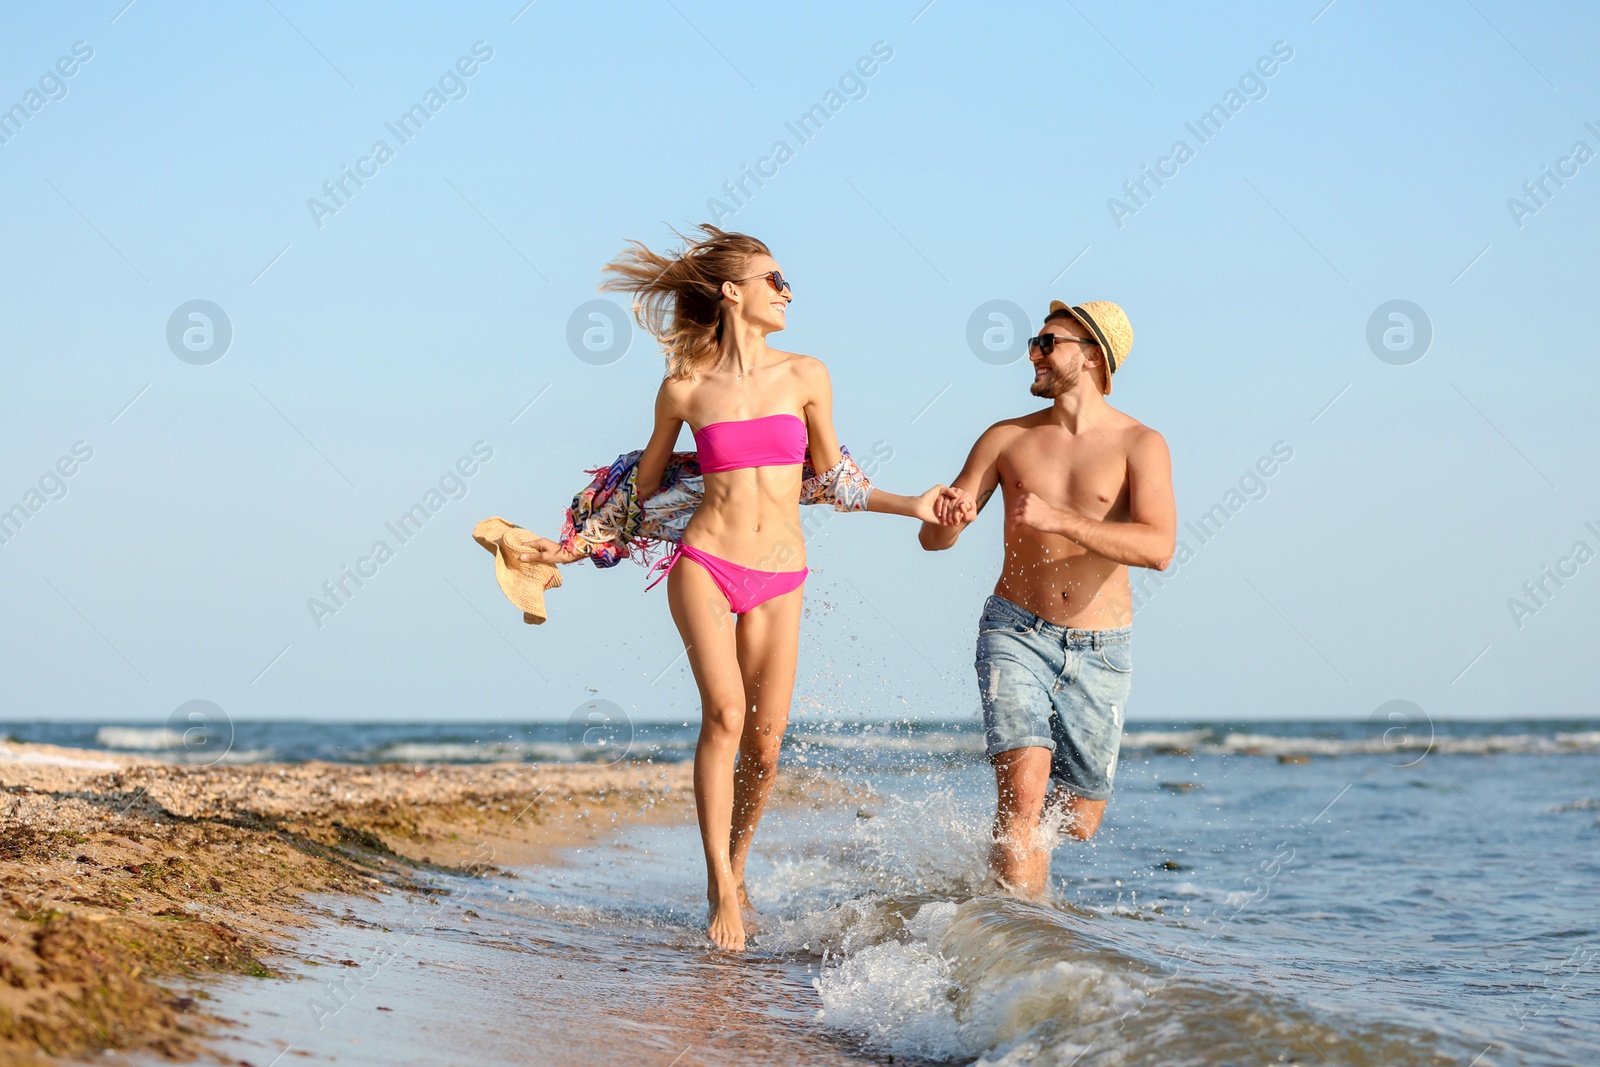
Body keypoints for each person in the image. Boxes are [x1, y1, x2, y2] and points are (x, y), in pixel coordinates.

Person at [520, 225, 959, 950]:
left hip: (783, 574)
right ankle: (720, 884)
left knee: (766, 743)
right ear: (734, 291)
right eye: (775, 280)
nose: (787, 292)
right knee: (723, 715)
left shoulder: (807, 374)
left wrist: (912, 502)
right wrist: (574, 544)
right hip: (707, 564)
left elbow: (832, 478)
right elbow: (647, 488)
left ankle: (740, 859)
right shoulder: (684, 388)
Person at [920, 300, 1176, 898]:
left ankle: (998, 883)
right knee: (1022, 798)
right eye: (1034, 343)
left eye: (1045, 342)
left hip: (1102, 649)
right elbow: (933, 540)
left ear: (1091, 356)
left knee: (1080, 822)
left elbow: (1158, 546)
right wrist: (949, 519)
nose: (1032, 353)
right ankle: (1022, 950)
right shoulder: (1006, 439)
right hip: (1015, 632)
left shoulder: (1141, 443)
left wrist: (1062, 519)